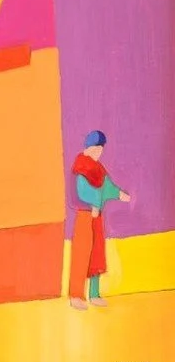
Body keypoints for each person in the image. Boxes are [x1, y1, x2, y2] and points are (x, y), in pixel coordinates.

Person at [68, 130, 132, 309]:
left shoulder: (98, 169)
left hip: (97, 218)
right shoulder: (80, 166)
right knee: (81, 254)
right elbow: (81, 191)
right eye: (95, 149)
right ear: (87, 148)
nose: (98, 153)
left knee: (96, 253)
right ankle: (76, 296)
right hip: (84, 216)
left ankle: (94, 294)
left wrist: (119, 194)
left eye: (100, 149)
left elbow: (107, 186)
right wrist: (95, 204)